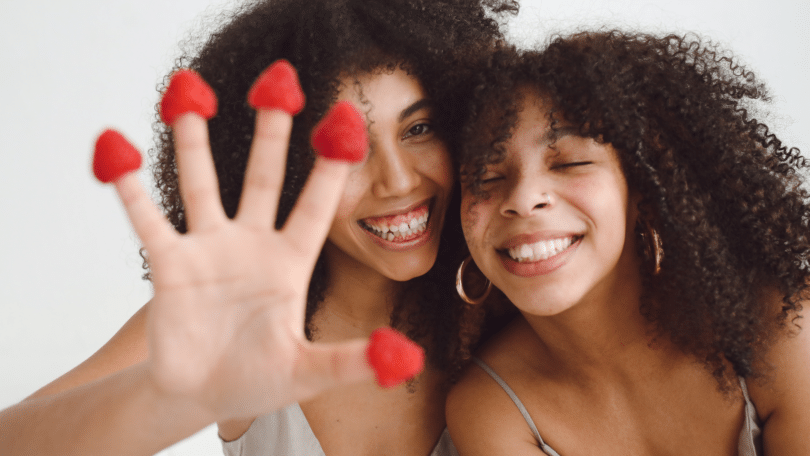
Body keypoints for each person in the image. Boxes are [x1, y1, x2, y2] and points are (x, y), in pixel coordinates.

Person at [0, 0, 517, 455]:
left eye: (419, 129)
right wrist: (170, 401)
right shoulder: (234, 314)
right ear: (289, 170)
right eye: (345, 148)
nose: (398, 180)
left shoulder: (517, 297)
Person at [447, 31, 810, 455]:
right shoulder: (489, 408)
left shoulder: (783, 328)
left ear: (642, 189)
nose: (523, 200)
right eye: (485, 178)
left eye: (570, 162)